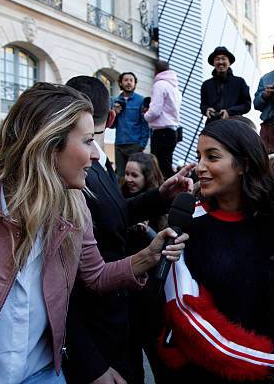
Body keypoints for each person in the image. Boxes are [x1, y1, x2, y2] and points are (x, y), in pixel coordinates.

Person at [0, 82, 188, 383]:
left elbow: (95, 276)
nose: (96, 156)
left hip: (43, 374)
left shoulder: (75, 205)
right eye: (87, 141)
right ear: (50, 142)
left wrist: (147, 256)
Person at [62, 77, 193, 384]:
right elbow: (61, 289)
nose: (93, 154)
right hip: (96, 329)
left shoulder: (95, 164)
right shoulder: (65, 179)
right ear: (111, 118)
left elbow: (115, 214)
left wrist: (160, 196)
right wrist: (90, 362)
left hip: (120, 317)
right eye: (85, 143)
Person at [159, 119, 274, 384]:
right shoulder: (187, 224)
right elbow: (189, 319)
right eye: (199, 157)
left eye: (212, 157)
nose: (200, 168)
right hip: (204, 374)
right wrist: (270, 360)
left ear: (244, 164)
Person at [121, 152, 170, 384]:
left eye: (135, 175)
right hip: (128, 296)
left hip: (152, 299)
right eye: (126, 173)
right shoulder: (120, 202)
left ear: (147, 177)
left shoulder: (161, 208)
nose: (129, 179)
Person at [144, 60, 182, 179]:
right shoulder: (174, 87)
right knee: (166, 164)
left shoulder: (160, 85)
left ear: (155, 70)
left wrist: (146, 115)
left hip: (161, 132)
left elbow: (155, 110)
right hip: (172, 131)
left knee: (159, 167)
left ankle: (165, 193)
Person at [112, 72, 150, 176]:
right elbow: (111, 125)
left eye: (131, 80)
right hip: (119, 144)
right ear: (120, 83)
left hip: (135, 144)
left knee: (135, 174)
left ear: (135, 84)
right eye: (126, 80)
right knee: (120, 175)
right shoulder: (115, 101)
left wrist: (142, 145)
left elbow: (145, 124)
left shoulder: (141, 100)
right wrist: (114, 113)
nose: (128, 83)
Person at [200, 46, 251, 123]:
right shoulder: (206, 85)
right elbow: (203, 105)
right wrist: (206, 110)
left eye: (223, 58)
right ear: (213, 63)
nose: (220, 62)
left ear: (229, 62)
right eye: (217, 59)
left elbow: (247, 105)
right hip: (212, 125)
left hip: (235, 123)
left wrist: (229, 112)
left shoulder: (240, 82)